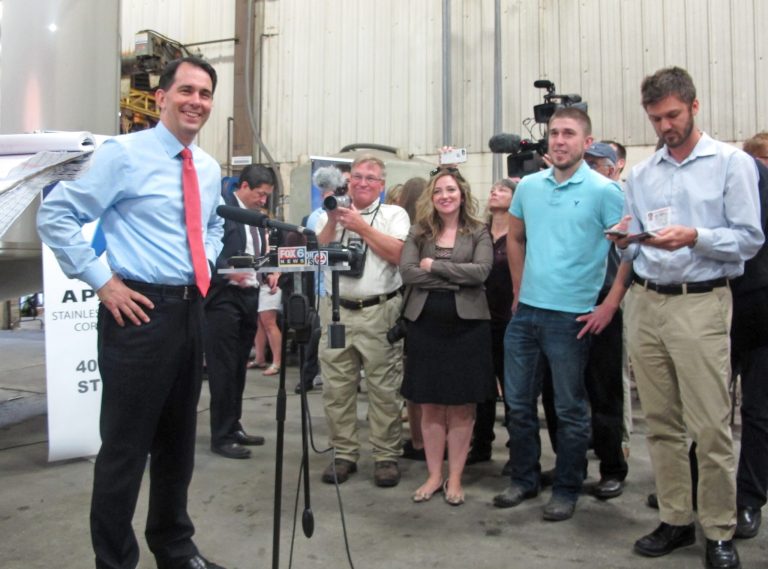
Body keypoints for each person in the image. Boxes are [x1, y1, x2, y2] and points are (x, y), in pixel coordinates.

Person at [37, 56, 227, 569]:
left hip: (191, 312)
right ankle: (115, 561)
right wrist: (104, 282)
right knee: (125, 450)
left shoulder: (207, 168)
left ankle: (174, 546)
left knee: (177, 445)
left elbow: (212, 227)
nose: (196, 101)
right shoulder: (122, 155)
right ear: (161, 97)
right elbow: (55, 215)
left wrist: (204, 264)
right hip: (139, 314)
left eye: (206, 93)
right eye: (186, 90)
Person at [610, 66, 763, 569]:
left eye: (672, 115)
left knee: (711, 426)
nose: (664, 126)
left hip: (701, 301)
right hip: (648, 301)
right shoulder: (643, 173)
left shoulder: (730, 163)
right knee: (661, 422)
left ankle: (718, 528)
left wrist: (695, 235)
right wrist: (625, 235)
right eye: (655, 118)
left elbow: (748, 237)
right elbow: (639, 234)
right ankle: (676, 517)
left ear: (694, 107)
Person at [492, 107, 624, 522]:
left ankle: (567, 486)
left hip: (573, 318)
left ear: (587, 143)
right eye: (554, 133)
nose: (559, 140)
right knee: (517, 404)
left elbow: (630, 251)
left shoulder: (605, 191)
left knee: (569, 409)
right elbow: (515, 236)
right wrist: (517, 289)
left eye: (569, 133)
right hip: (527, 315)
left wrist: (609, 304)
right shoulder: (529, 187)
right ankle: (525, 478)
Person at [399, 167, 494, 505]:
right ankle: (433, 475)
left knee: (461, 407)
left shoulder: (479, 231)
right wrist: (457, 279)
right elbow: (408, 273)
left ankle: (454, 478)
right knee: (429, 405)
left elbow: (482, 271)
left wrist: (435, 267)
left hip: (468, 330)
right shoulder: (418, 231)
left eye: (451, 190)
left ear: (462, 194)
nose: (445, 196)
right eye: (439, 191)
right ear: (431, 197)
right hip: (425, 327)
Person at [316, 155, 411, 487]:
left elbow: (399, 254)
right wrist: (333, 221)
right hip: (337, 312)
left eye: (371, 178)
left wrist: (362, 227)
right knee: (337, 388)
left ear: (381, 185)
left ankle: (386, 456)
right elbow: (318, 252)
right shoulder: (331, 212)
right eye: (357, 176)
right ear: (348, 180)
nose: (363, 183)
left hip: (379, 311)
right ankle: (343, 453)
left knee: (384, 388)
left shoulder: (393, 214)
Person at [205, 165, 273, 460]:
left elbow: (259, 251)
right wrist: (227, 273)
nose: (263, 201)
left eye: (267, 196)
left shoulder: (256, 218)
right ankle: (221, 436)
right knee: (223, 368)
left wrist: (269, 271)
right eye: (260, 194)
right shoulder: (221, 209)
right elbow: (206, 249)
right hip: (222, 298)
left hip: (249, 295)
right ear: (243, 186)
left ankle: (234, 425)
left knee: (238, 366)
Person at [730, 137, 768, 539]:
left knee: (757, 414)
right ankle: (696, 483)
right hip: (719, 310)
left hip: (761, 316)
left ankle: (749, 499)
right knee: (706, 412)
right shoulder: (726, 185)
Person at [467, 178, 516, 467]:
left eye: (503, 189)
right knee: (482, 387)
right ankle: (481, 444)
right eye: (493, 189)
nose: (495, 192)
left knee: (513, 388)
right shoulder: (479, 233)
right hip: (479, 319)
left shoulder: (521, 234)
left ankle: (517, 447)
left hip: (510, 319)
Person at [396, 176, 429, 461]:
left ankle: (418, 440)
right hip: (427, 305)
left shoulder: (403, 226)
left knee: (412, 381)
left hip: (405, 307)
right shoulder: (428, 230)